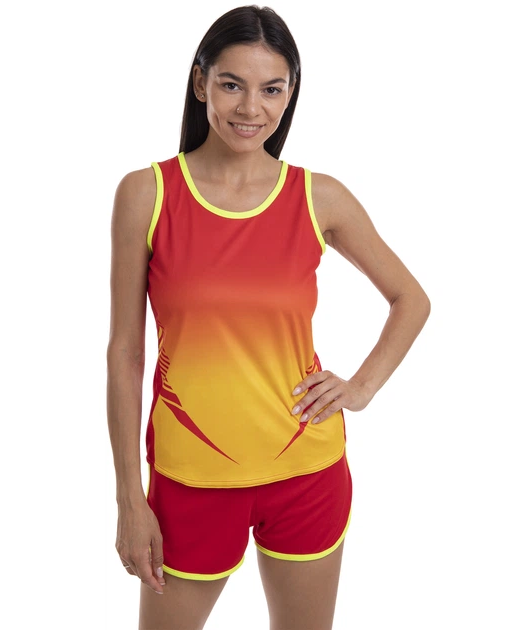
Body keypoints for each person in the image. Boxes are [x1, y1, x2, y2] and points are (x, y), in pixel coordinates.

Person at [106, 5, 430, 629]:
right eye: (232, 84)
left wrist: (360, 388)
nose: (251, 107)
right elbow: (125, 351)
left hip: (307, 470)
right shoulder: (147, 194)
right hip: (191, 479)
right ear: (200, 82)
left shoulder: (319, 196)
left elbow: (410, 299)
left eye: (272, 89)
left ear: (290, 93)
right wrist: (128, 497)